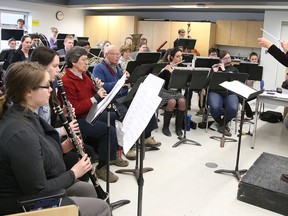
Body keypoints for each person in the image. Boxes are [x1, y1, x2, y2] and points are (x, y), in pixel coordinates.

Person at [0, 61, 111, 215]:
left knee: (89, 190)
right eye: (46, 86)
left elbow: (37, 153)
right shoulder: (20, 133)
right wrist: (74, 173)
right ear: (28, 92)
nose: (51, 89)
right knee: (102, 208)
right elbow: (38, 189)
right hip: (23, 204)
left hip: (35, 189)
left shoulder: (25, 114)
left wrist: (63, 148)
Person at [58, 46, 128, 182]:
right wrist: (96, 96)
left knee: (114, 115)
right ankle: (102, 167)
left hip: (90, 113)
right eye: (84, 60)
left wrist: (97, 87)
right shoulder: (67, 81)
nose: (87, 63)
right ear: (73, 61)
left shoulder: (84, 75)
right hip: (78, 119)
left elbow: (92, 95)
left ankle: (111, 154)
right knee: (109, 131)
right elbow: (76, 109)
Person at [30, 46, 97, 182]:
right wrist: (62, 132)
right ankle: (71, 188)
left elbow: (47, 122)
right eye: (55, 66)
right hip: (44, 147)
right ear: (40, 67)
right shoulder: (37, 94)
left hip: (50, 141)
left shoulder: (51, 86)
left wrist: (64, 114)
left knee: (87, 151)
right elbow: (38, 131)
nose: (58, 70)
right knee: (81, 158)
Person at [92, 45, 161, 159]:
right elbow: (100, 86)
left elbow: (123, 82)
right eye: (115, 54)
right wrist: (119, 83)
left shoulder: (117, 66)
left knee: (143, 105)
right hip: (111, 99)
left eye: (118, 54)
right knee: (124, 114)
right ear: (107, 55)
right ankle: (126, 145)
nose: (117, 56)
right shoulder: (99, 68)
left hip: (123, 96)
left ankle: (146, 136)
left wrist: (127, 78)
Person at [207, 50, 239, 137]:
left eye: (229, 57)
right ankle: (222, 124)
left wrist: (224, 70)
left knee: (233, 108)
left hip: (230, 93)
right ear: (220, 60)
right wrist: (214, 73)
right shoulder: (215, 68)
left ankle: (222, 124)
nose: (228, 60)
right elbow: (208, 82)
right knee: (215, 107)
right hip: (216, 91)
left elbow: (235, 82)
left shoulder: (234, 70)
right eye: (225, 58)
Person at [158, 47, 186, 137]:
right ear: (171, 57)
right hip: (165, 91)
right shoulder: (166, 66)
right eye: (177, 56)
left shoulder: (182, 67)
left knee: (182, 101)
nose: (180, 58)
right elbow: (158, 80)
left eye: (181, 56)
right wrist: (164, 71)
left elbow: (183, 83)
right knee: (172, 101)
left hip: (176, 92)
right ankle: (165, 127)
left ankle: (178, 127)